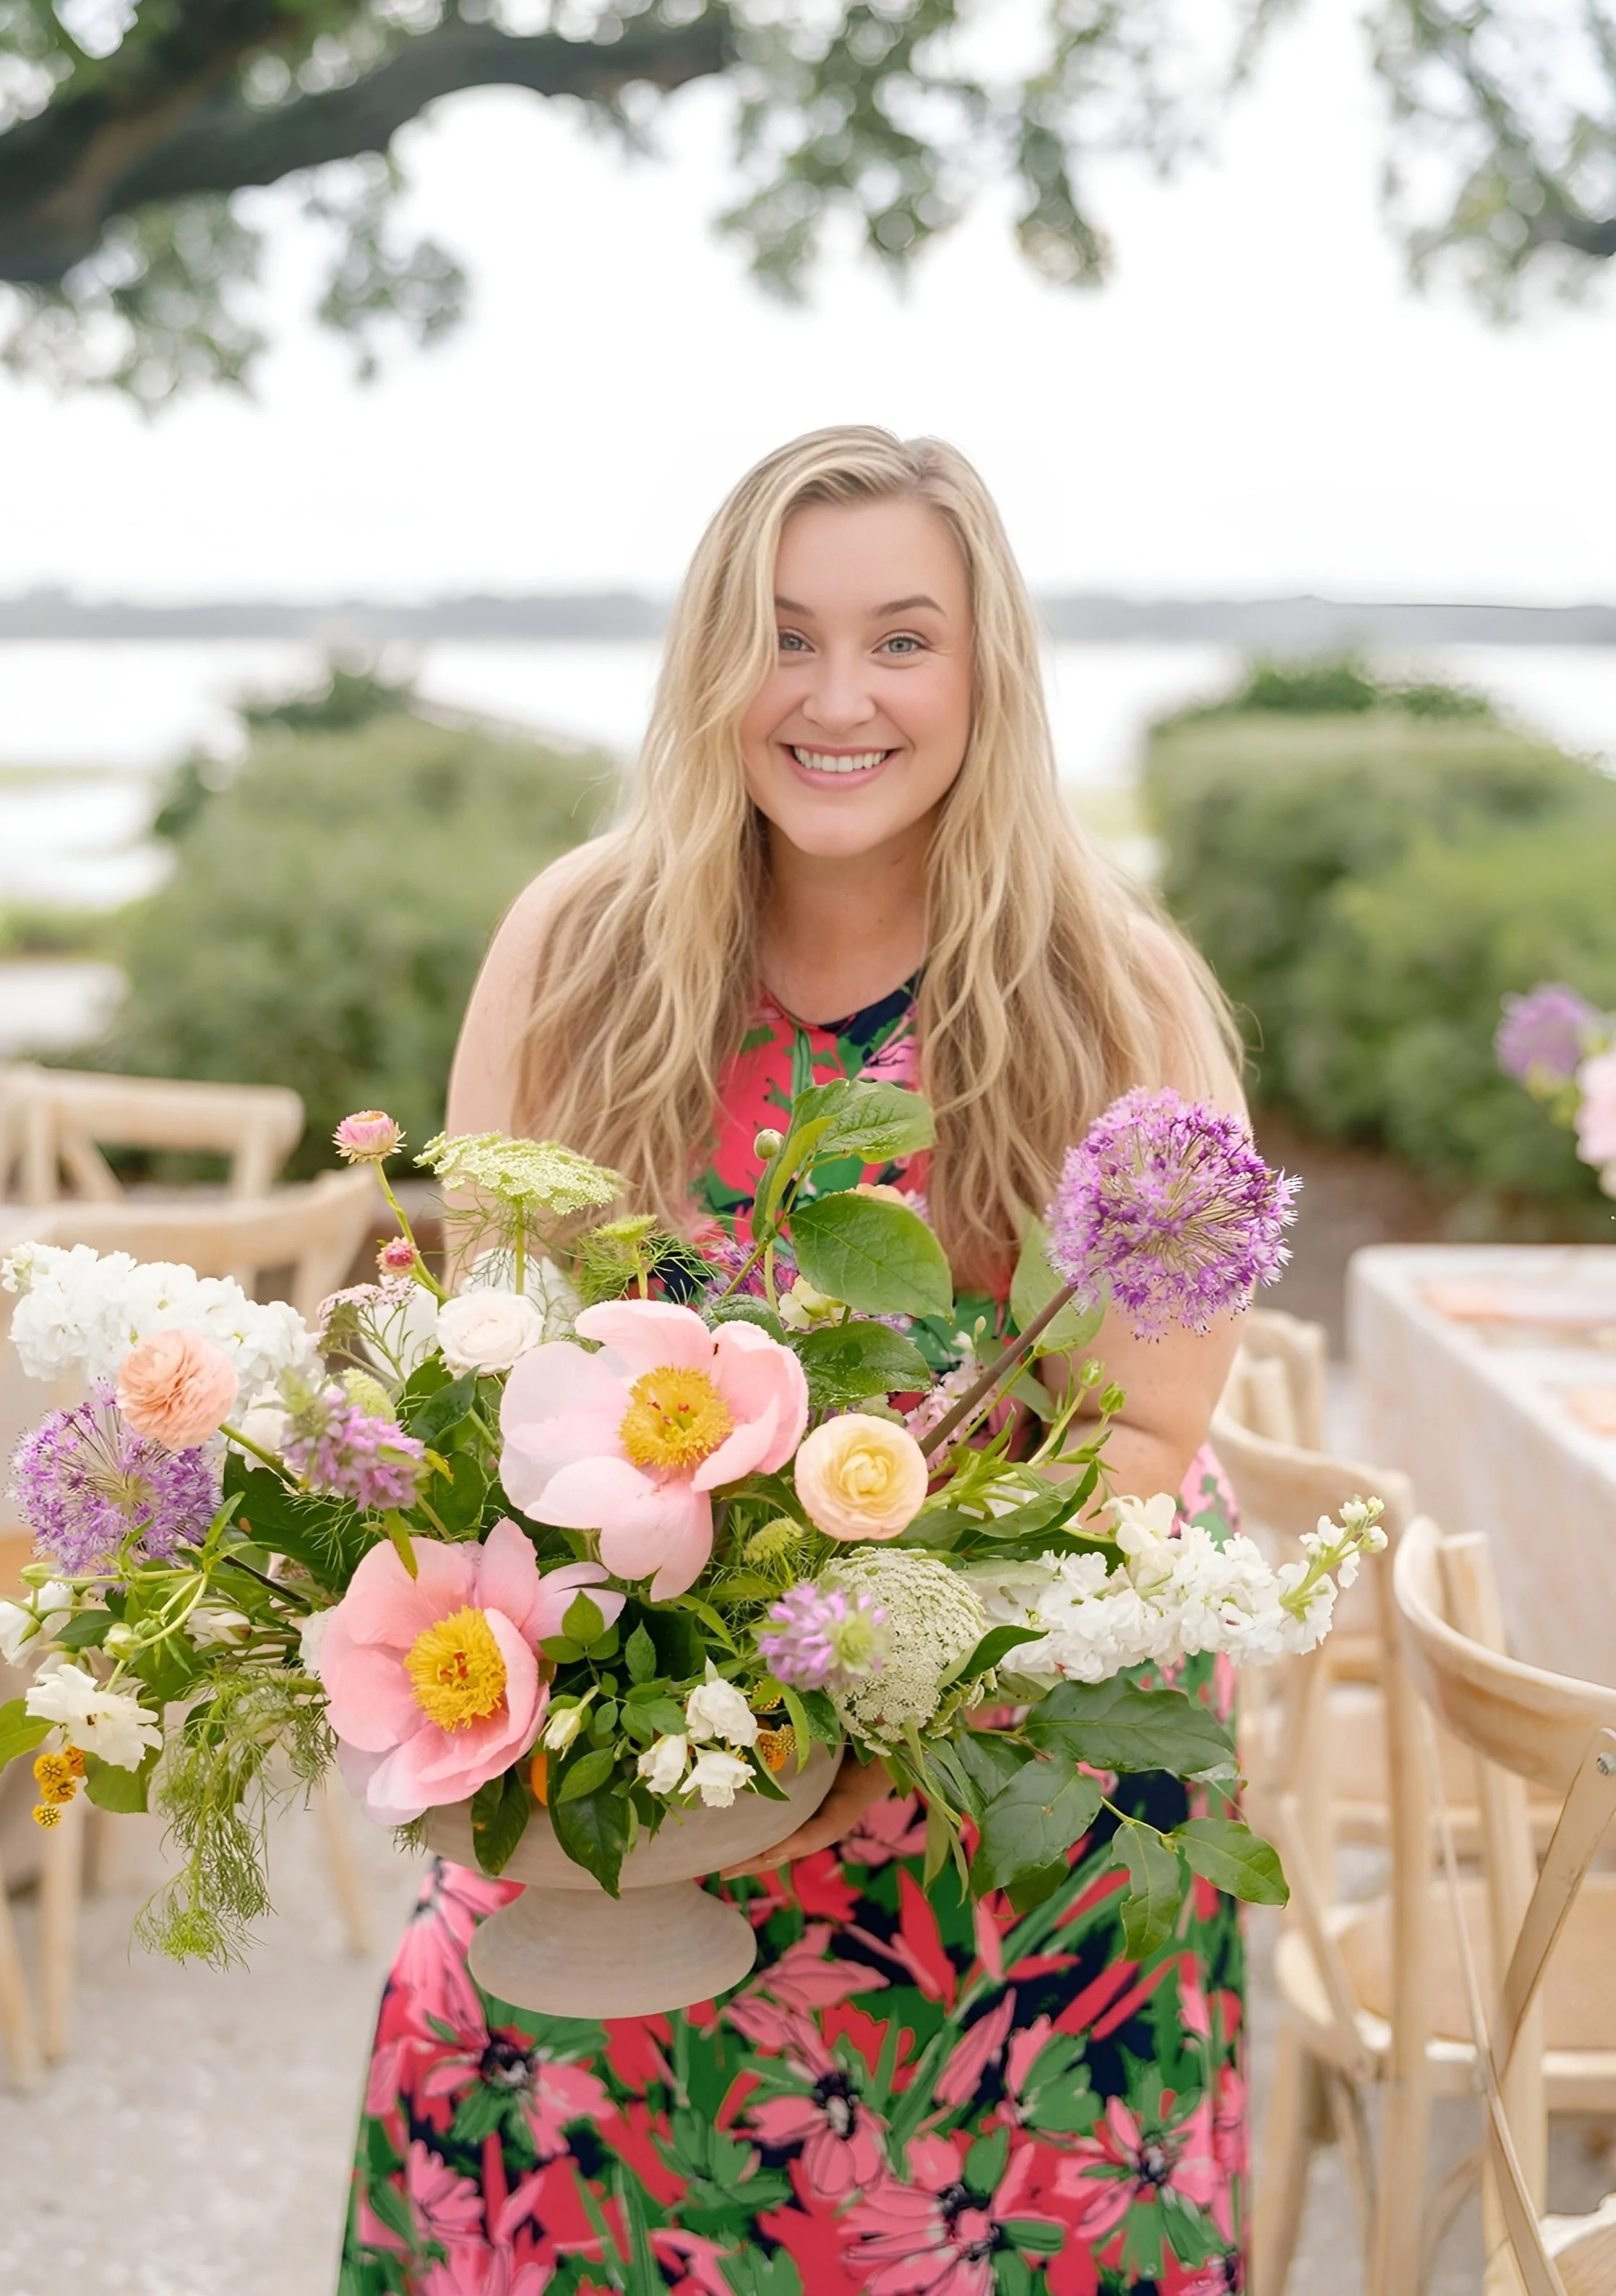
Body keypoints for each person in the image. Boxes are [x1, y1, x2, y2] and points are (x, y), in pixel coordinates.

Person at [342, 427, 1250, 2295]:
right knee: (473, 2058)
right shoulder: (578, 946)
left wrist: (867, 1690)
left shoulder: (1112, 985)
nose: (837, 698)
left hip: (1011, 1757)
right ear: (707, 670)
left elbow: (1154, 1436)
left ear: (984, 671)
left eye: (901, 640)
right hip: (651, 1757)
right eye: (783, 638)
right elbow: (489, 1372)